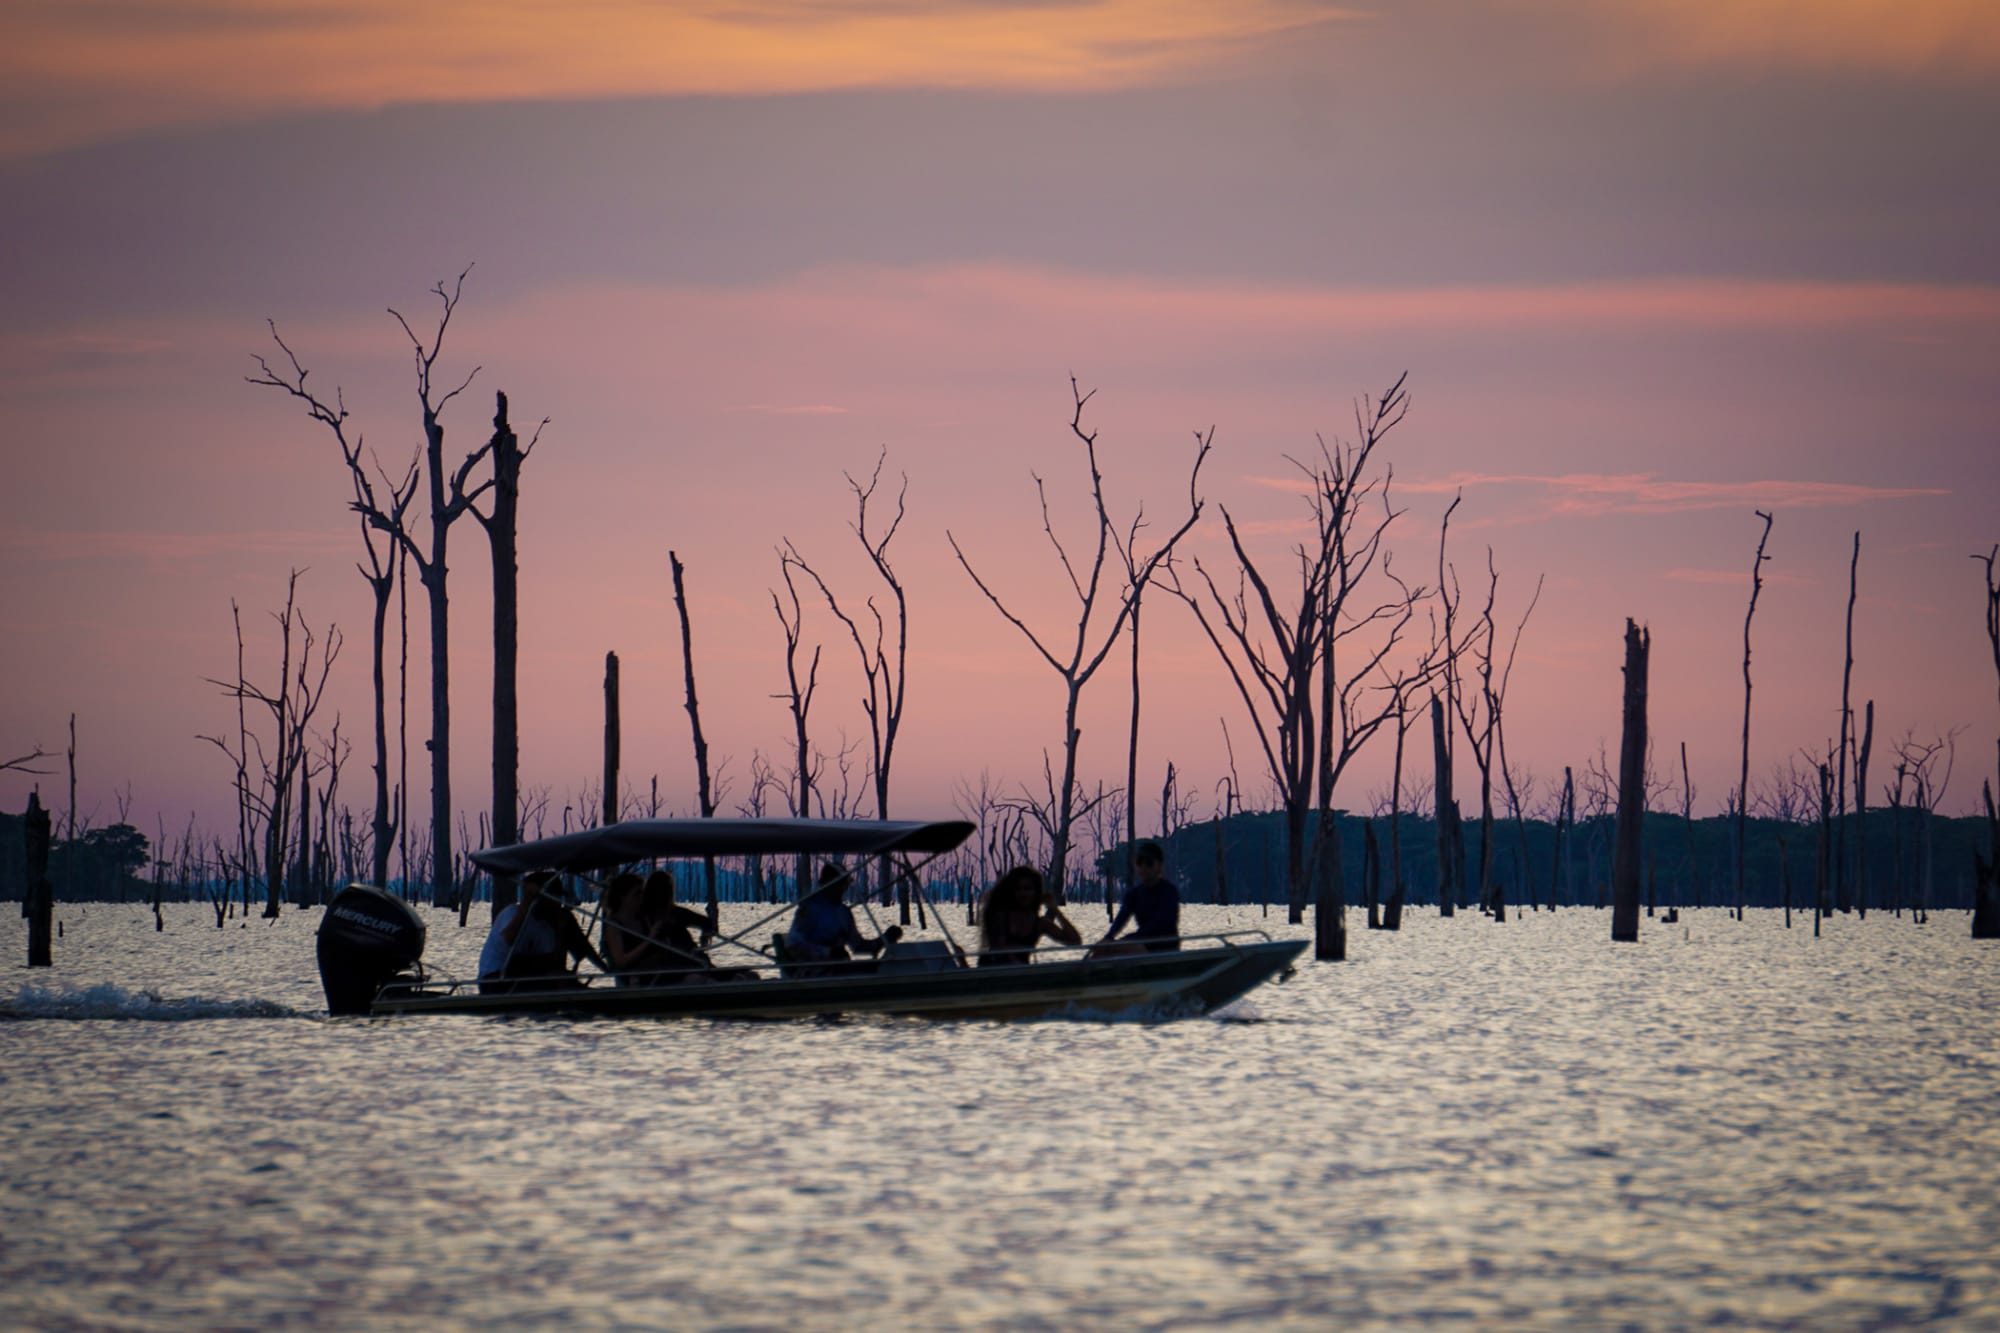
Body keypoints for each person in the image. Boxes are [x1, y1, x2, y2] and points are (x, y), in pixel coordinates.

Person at [478, 870, 608, 993]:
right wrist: (526, 902)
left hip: (524, 979)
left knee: (561, 980)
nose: (557, 904)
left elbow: (554, 964)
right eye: (553, 899)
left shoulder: (545, 928)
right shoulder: (512, 912)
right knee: (556, 982)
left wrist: (560, 930)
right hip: (494, 980)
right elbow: (508, 938)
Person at [783, 862, 898, 974]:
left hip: (841, 969)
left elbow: (858, 946)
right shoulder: (809, 909)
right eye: (840, 884)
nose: (843, 889)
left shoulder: (844, 912)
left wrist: (883, 940)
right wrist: (827, 952)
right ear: (827, 884)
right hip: (813, 973)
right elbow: (794, 944)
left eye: (844, 885)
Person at [976, 865, 1081, 967]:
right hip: (994, 970)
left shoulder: (1039, 923)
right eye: (1018, 889)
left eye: (1028, 889)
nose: (1023, 893)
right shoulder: (1000, 916)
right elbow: (999, 947)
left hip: (1022, 972)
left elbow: (1075, 941)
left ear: (1036, 892)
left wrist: (1056, 910)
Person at [1095, 840, 1181, 955]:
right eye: (1140, 863)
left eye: (1149, 863)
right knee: (1103, 950)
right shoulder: (1134, 894)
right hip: (1141, 942)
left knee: (1119, 948)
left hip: (1164, 946)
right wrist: (1108, 938)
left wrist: (1129, 939)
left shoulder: (1169, 892)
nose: (1144, 867)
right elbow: (1121, 918)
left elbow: (1161, 923)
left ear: (1159, 866)